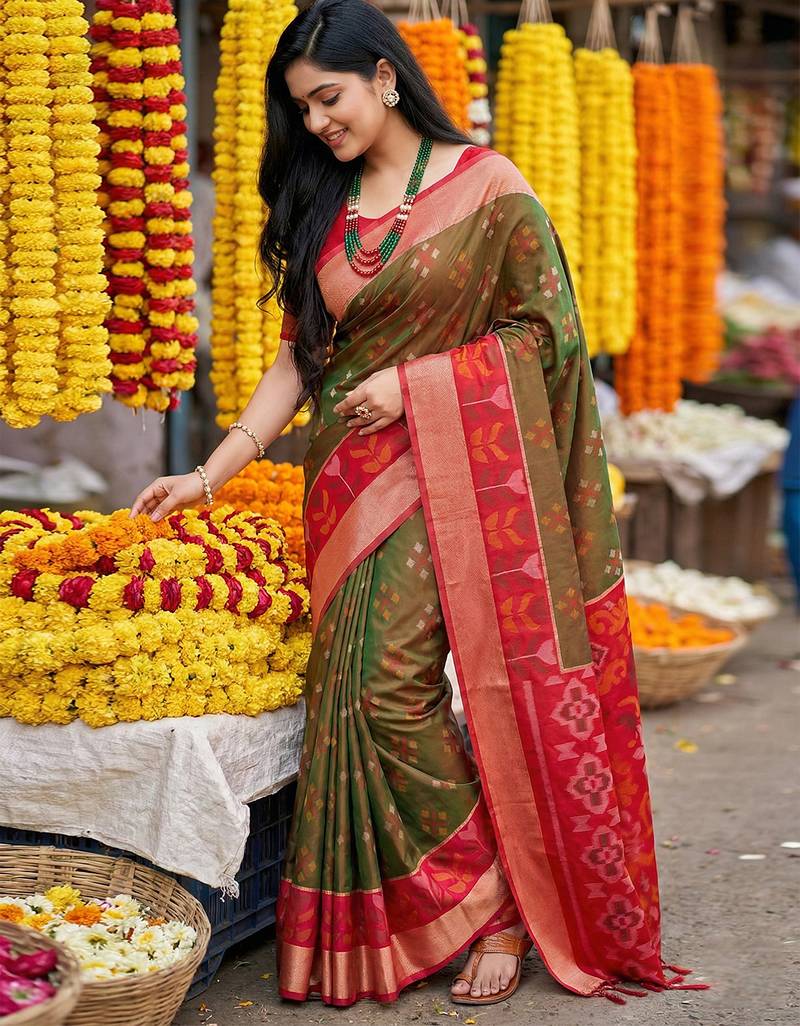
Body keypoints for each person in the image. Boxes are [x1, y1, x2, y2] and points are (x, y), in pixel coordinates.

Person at [131, 0, 703, 1009]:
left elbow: (546, 340)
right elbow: (302, 357)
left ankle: (493, 904)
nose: (314, 124)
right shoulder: (327, 199)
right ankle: (413, 912)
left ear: (386, 77)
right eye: (301, 109)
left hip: (459, 474)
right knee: (351, 695)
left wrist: (416, 383)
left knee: (388, 687)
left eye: (328, 98)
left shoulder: (490, 190)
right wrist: (211, 471)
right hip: (345, 485)